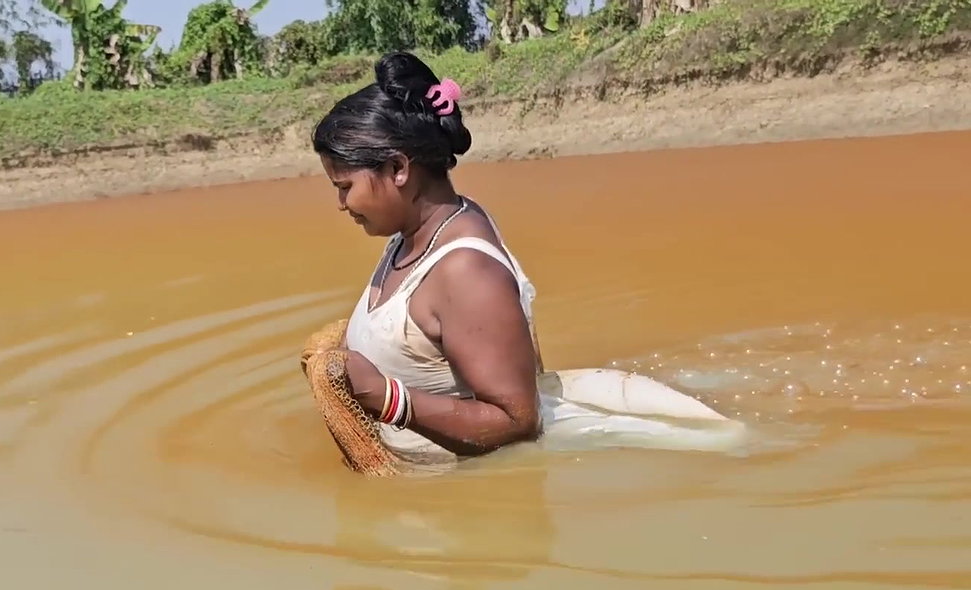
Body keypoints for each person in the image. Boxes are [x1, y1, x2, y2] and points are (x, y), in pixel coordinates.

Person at [312, 52, 742, 469]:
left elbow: (516, 421)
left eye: (345, 186)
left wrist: (384, 396)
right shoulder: (421, 229)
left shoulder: (464, 271)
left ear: (398, 169)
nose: (340, 203)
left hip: (462, 499)